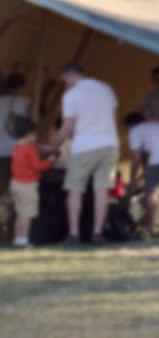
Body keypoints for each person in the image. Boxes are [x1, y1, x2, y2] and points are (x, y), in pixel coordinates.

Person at [50, 64, 119, 246]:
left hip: (84, 146)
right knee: (102, 189)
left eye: (64, 81)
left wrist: (51, 147)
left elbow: (67, 127)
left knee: (75, 189)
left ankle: (74, 234)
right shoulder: (106, 89)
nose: (65, 85)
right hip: (110, 143)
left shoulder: (71, 95)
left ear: (69, 76)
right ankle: (97, 233)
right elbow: (112, 118)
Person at [10, 118, 53, 248]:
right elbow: (37, 166)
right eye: (35, 134)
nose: (36, 136)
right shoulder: (29, 149)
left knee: (20, 213)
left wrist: (38, 149)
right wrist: (50, 160)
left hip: (15, 184)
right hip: (27, 185)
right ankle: (23, 240)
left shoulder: (17, 147)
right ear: (29, 134)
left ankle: (17, 239)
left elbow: (25, 160)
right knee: (27, 214)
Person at [0, 73, 31, 197]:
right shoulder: (23, 101)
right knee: (12, 184)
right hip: (15, 149)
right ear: (19, 88)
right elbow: (29, 126)